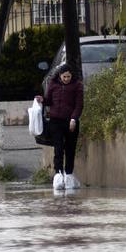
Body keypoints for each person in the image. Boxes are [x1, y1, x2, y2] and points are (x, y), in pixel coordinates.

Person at [35, 63, 83, 191]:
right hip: (55, 121)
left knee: (70, 148)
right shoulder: (53, 84)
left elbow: (79, 105)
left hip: (71, 122)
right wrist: (42, 100)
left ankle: (68, 173)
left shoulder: (77, 86)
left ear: (72, 76)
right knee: (58, 148)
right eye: (64, 77)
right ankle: (58, 173)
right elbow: (49, 101)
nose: (66, 79)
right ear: (60, 76)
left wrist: (74, 118)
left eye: (68, 77)